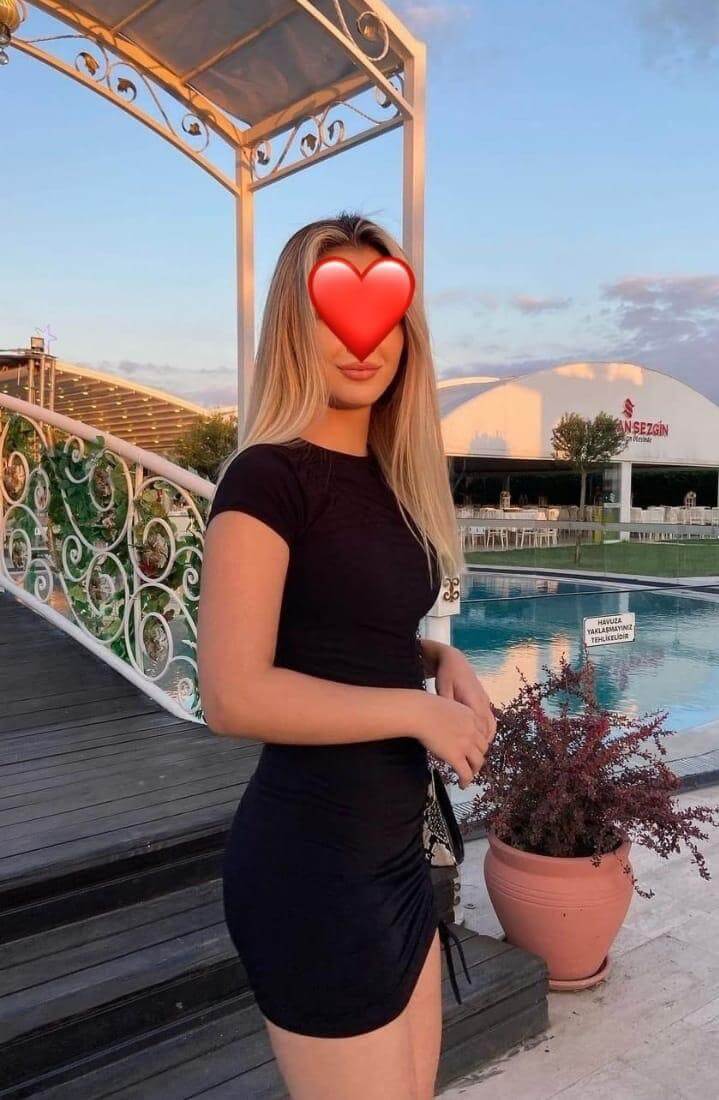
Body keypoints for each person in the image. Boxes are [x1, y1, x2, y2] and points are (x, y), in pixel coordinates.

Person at [197, 212, 496, 1100]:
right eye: (333, 314)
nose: (363, 340)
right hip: (313, 867)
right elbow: (232, 693)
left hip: (395, 854)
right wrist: (413, 710)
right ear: (294, 329)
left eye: (382, 314)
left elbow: (342, 628)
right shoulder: (266, 477)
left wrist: (434, 660)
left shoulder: (389, 479)